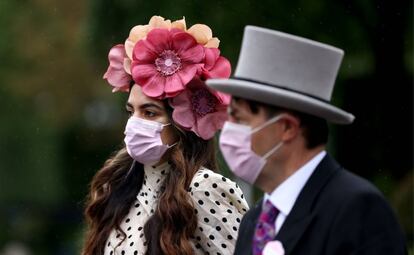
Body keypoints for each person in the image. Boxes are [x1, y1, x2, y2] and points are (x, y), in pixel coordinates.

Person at [207, 26, 407, 255]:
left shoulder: (357, 209)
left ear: (287, 128)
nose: (228, 131)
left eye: (239, 119)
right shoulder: (253, 222)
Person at [82, 16, 249, 255]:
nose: (135, 123)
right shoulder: (118, 186)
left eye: (150, 113)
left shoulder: (203, 188)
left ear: (183, 122)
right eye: (131, 111)